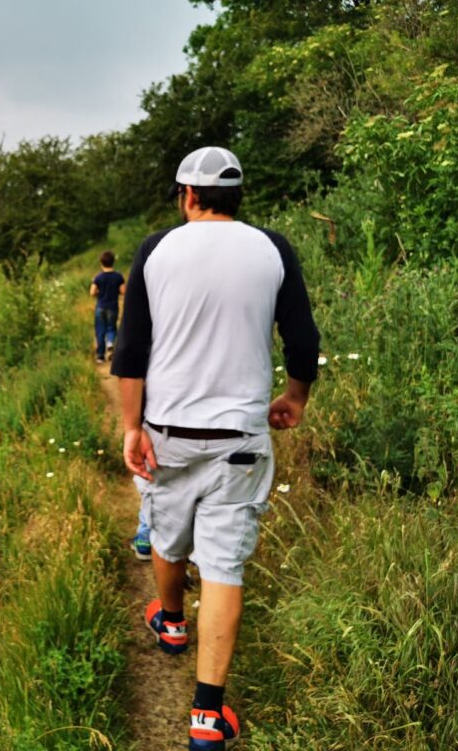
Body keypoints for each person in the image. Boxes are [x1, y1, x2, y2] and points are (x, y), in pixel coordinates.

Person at [110, 146, 319, 751]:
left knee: (168, 530)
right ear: (237, 197)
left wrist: (132, 426)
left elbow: (132, 348)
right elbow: (302, 335)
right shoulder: (272, 248)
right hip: (241, 438)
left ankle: (170, 622)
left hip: (169, 431)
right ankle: (206, 717)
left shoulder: (156, 249)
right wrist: (296, 396)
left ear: (187, 195)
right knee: (224, 564)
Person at [89, 250, 125, 364]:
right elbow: (123, 291)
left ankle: (100, 356)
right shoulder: (118, 277)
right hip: (113, 307)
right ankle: (110, 344)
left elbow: (92, 292)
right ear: (113, 262)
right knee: (111, 328)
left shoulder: (98, 277)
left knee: (100, 330)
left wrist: (99, 292)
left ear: (101, 263)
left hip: (100, 307)